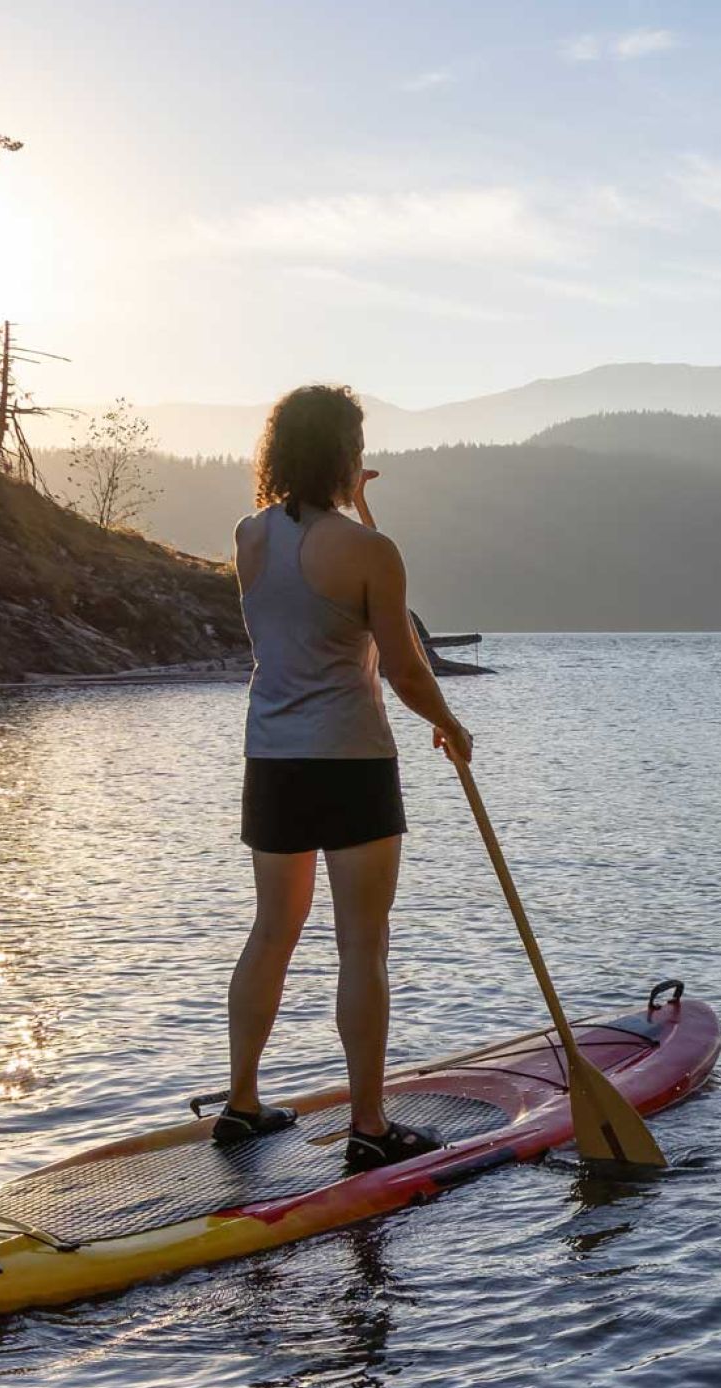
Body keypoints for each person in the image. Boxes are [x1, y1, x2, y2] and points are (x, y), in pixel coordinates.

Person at [217, 384, 473, 1168]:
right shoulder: (372, 552)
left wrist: (355, 513)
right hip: (352, 762)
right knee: (363, 945)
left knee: (273, 933)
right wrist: (450, 723)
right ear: (343, 454)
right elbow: (401, 663)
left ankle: (243, 1103)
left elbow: (311, 594)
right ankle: (369, 1125)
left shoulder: (248, 536)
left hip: (273, 761)